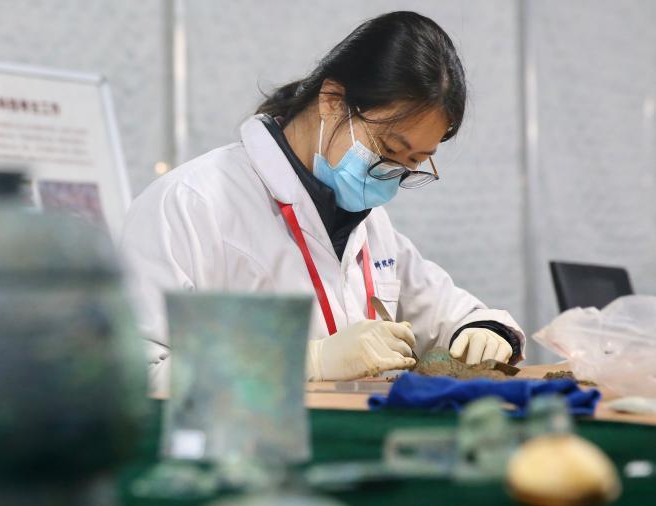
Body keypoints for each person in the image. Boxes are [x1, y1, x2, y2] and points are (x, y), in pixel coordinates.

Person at [120, 11, 525, 391]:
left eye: (412, 164)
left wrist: (485, 329)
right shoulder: (191, 205)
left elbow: (445, 309)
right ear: (332, 100)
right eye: (388, 149)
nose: (390, 178)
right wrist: (303, 361)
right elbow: (137, 372)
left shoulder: (368, 226)